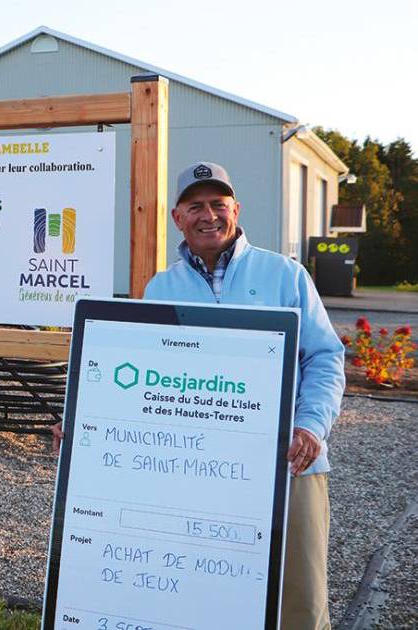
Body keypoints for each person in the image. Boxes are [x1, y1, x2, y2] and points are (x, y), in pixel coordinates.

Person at [52, 162, 344, 629]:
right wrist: (86, 422)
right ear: (177, 218)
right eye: (195, 206)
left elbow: (326, 357)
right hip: (196, 472)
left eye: (217, 204)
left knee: (299, 600)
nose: (208, 215)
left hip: (285, 463)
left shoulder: (285, 275)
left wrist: (311, 425)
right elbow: (142, 376)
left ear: (235, 210)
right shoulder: (160, 287)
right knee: (206, 592)